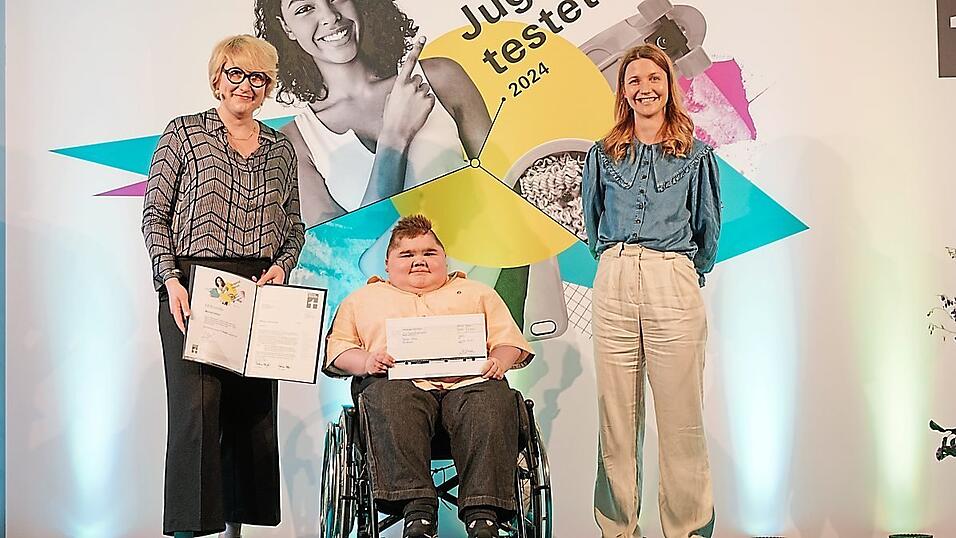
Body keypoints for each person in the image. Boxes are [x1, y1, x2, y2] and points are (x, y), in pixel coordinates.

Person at [141, 34, 305, 538]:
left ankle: (238, 529)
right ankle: (192, 529)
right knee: (196, 411)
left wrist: (282, 266)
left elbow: (294, 224)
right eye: (237, 74)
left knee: (251, 413)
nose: (247, 85)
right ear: (218, 78)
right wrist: (170, 280)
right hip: (193, 282)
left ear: (268, 87)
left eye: (258, 78)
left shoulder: (281, 147)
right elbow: (155, 215)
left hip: (258, 285)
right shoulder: (185, 134)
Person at [581, 44, 721, 538]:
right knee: (615, 416)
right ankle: (618, 528)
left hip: (672, 276)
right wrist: (618, 264)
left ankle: (687, 529)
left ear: (669, 85)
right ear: (624, 91)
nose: (644, 88)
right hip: (616, 274)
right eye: (633, 80)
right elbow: (592, 220)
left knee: (682, 414)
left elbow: (708, 228)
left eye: (653, 78)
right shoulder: (603, 152)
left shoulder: (696, 152)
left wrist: (681, 270)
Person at [324, 214, 534, 538]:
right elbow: (338, 351)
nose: (419, 261)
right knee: (387, 397)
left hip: (468, 390)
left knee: (494, 400)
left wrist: (498, 361)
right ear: (388, 263)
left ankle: (483, 515)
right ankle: (417, 511)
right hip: (397, 393)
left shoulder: (477, 294)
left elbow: (510, 342)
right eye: (407, 255)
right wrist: (367, 361)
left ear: (444, 259)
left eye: (429, 253)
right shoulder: (361, 301)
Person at [254, 0, 492, 226]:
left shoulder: (440, 78)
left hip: (491, 265)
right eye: (305, 8)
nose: (330, 16)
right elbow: (348, 256)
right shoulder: (293, 144)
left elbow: (508, 185)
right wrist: (394, 136)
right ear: (286, 26)